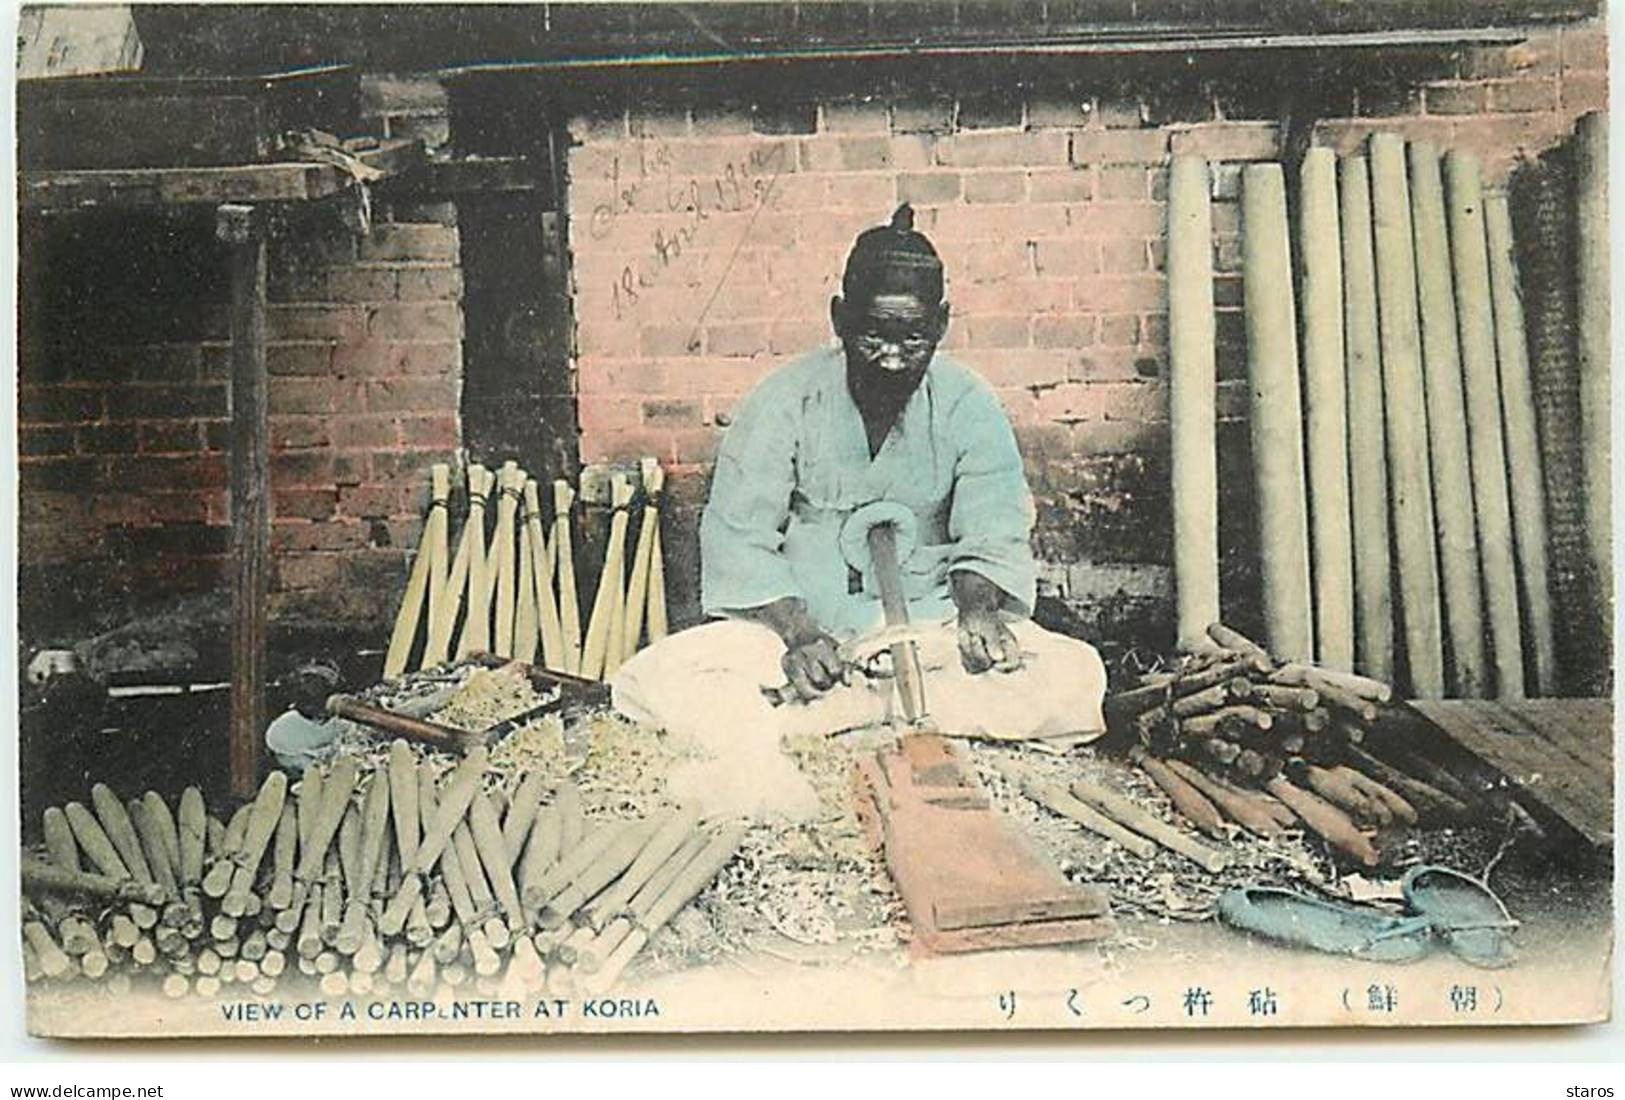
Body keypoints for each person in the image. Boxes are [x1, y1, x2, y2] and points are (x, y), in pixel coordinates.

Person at [612, 205, 1107, 816]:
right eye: (874, 334)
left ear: (943, 325)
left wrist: (979, 611)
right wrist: (798, 632)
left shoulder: (967, 404)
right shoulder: (784, 402)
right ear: (839, 319)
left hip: (928, 631)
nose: (893, 358)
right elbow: (739, 537)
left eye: (914, 338)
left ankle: (837, 714)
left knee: (1074, 674)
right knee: (657, 677)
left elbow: (993, 526)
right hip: (805, 636)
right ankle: (863, 704)